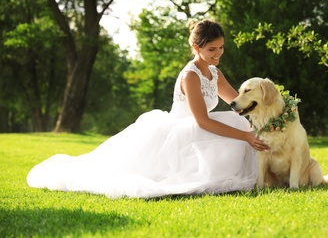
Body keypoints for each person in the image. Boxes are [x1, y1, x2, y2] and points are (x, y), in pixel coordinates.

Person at [27, 19, 268, 198]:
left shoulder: (214, 72)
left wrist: (268, 113)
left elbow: (238, 103)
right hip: (183, 131)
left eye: (221, 47)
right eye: (212, 49)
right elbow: (202, 121)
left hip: (197, 128)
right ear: (196, 47)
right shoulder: (191, 76)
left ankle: (269, 172)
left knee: (237, 119)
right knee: (234, 126)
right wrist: (245, 136)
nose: (218, 54)